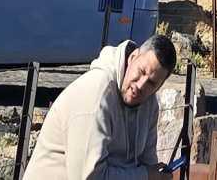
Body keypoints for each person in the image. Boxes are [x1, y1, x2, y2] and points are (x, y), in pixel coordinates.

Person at [25, 34, 178, 180]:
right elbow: (89, 177)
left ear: (159, 87)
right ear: (132, 58)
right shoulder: (96, 93)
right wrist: (144, 177)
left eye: (151, 83)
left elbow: (149, 165)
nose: (140, 86)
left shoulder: (150, 104)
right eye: (141, 71)